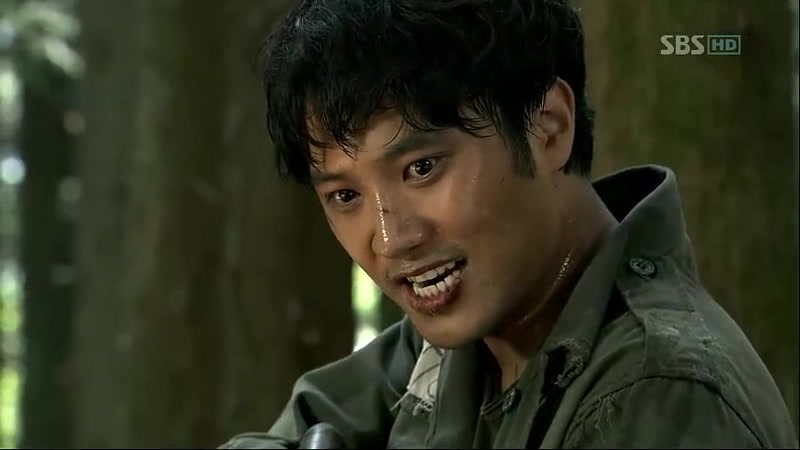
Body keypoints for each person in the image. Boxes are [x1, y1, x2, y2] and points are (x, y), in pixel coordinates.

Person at [220, 0, 798, 448]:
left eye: (422, 168)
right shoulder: (466, 331)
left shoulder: (654, 396)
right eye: (345, 195)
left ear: (548, 127)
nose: (392, 239)